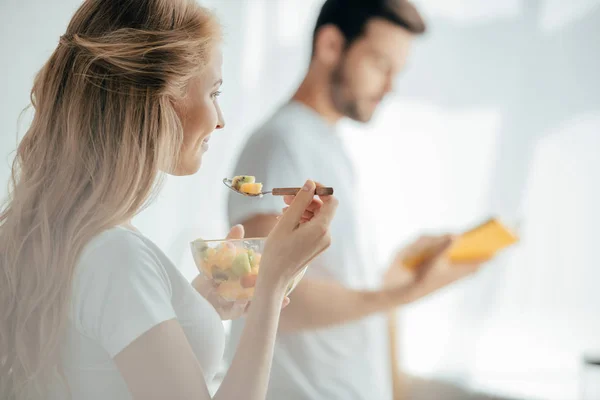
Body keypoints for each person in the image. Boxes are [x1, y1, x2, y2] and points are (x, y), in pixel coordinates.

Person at [0, 1, 338, 400]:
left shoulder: (73, 236)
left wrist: (197, 305)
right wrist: (271, 285)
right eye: (213, 92)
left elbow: (100, 363)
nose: (220, 119)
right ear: (159, 98)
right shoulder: (116, 255)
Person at [227, 0, 489, 399]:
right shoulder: (282, 143)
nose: (390, 87)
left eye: (396, 72)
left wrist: (396, 276)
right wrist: (403, 293)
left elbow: (327, 285)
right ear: (332, 45)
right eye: (381, 65)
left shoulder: (329, 147)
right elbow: (261, 286)